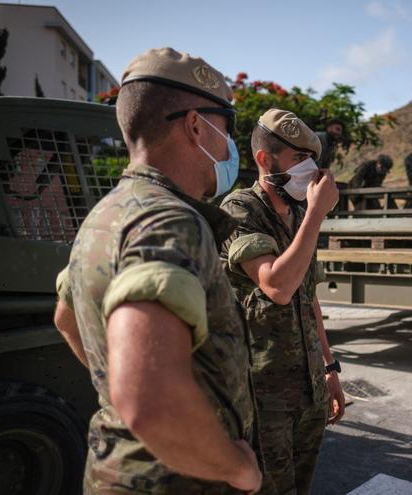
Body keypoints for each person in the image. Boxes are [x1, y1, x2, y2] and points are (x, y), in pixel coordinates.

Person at [52, 48, 261, 494]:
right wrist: (235, 467)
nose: (229, 146)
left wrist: (117, 393)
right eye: (227, 128)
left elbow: (66, 319)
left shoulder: (105, 214)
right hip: (176, 479)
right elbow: (147, 399)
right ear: (194, 125)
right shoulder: (168, 221)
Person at [220, 109, 346, 495]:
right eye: (298, 160)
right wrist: (317, 216)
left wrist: (329, 368)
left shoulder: (297, 215)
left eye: (312, 160)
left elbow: (309, 299)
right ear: (264, 159)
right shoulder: (240, 209)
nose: (309, 169)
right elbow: (277, 285)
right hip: (262, 395)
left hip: (307, 389)